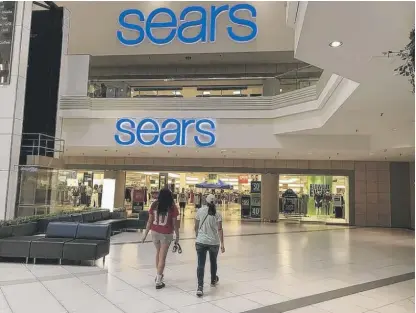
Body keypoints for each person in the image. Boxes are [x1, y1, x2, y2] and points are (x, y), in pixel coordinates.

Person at [142, 188, 180, 289]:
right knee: (162, 256)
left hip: (154, 232)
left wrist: (145, 234)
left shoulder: (154, 205)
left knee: (158, 252)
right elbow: (174, 224)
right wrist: (177, 236)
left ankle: (159, 274)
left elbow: (149, 221)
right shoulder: (172, 207)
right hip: (166, 233)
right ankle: (158, 280)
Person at [194, 194, 225, 297]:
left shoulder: (200, 211)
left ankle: (200, 287)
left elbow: (196, 226)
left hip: (201, 242)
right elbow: (220, 229)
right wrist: (222, 244)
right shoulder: (218, 214)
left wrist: (197, 236)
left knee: (200, 264)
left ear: (205, 201)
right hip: (214, 242)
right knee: (213, 261)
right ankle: (213, 280)